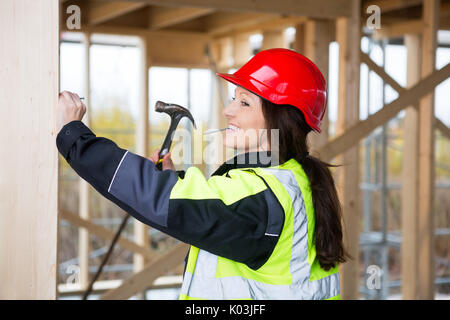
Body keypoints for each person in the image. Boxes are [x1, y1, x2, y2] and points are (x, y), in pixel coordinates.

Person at [56, 48, 348, 300]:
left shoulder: (262, 196)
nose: (227, 111)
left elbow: (161, 200)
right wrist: (173, 179)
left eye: (244, 103)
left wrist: (73, 135)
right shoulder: (296, 178)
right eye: (234, 99)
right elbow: (219, 211)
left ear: (282, 117)